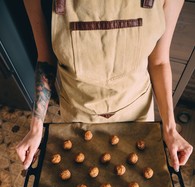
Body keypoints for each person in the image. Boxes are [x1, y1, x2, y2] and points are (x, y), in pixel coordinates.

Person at [16, 0, 193, 171]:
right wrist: (36, 128)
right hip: (78, 113)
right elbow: (46, 60)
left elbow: (159, 62)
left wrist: (170, 129)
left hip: (136, 113)